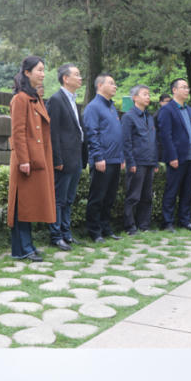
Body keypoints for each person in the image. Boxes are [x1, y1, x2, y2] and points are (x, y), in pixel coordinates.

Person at [8, 56, 54, 262]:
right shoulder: (20, 98)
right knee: (22, 204)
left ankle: (28, 246)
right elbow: (18, 132)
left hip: (37, 159)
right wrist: (23, 160)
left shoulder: (34, 97)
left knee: (30, 204)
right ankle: (22, 249)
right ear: (27, 73)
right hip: (26, 161)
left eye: (43, 70)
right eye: (39, 70)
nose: (43, 74)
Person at [156, 79, 191, 233]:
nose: (187, 90)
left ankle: (185, 221)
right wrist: (172, 156)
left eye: (188, 87)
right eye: (183, 87)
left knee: (188, 192)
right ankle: (168, 223)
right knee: (172, 191)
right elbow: (165, 136)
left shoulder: (190, 110)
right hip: (176, 158)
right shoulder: (167, 110)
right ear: (174, 90)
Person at [46, 65, 85, 250]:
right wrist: (57, 159)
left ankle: (66, 234)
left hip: (76, 157)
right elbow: (52, 133)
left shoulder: (73, 100)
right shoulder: (56, 100)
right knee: (58, 199)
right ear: (65, 79)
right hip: (64, 159)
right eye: (77, 74)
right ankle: (56, 236)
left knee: (69, 199)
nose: (80, 78)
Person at [83, 73, 124, 243]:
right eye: (111, 83)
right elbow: (91, 134)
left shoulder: (111, 106)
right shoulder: (93, 107)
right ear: (100, 85)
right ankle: (95, 232)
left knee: (109, 197)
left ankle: (106, 228)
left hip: (115, 159)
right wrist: (98, 157)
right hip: (102, 160)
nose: (115, 86)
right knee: (97, 197)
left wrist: (121, 157)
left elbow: (116, 134)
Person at [120, 85, 158, 235]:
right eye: (144, 94)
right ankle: (130, 227)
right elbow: (126, 141)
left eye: (149, 94)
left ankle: (144, 226)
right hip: (137, 163)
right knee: (133, 196)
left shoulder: (149, 117)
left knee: (147, 196)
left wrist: (155, 161)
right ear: (135, 98)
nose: (148, 97)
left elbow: (154, 140)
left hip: (149, 162)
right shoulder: (128, 117)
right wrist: (130, 162)